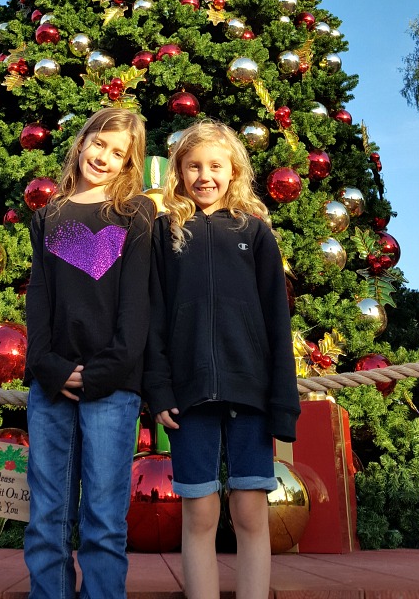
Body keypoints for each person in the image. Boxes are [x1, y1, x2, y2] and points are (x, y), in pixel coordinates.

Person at [144, 119, 300, 599]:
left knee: (251, 513)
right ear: (179, 172)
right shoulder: (165, 235)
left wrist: (282, 404)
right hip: (189, 396)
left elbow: (277, 320)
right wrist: (159, 390)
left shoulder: (255, 233)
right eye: (193, 166)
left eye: (215, 165)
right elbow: (153, 318)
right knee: (200, 512)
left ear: (234, 171)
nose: (205, 175)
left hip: (250, 394)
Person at [24, 108, 155, 599]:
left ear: (129, 164)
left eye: (118, 153)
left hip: (112, 387)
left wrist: (102, 372)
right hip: (51, 384)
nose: (104, 157)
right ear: (81, 143)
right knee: (48, 514)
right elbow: (40, 300)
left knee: (102, 516)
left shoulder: (135, 213)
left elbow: (136, 304)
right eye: (100, 144)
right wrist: (50, 368)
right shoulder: (49, 217)